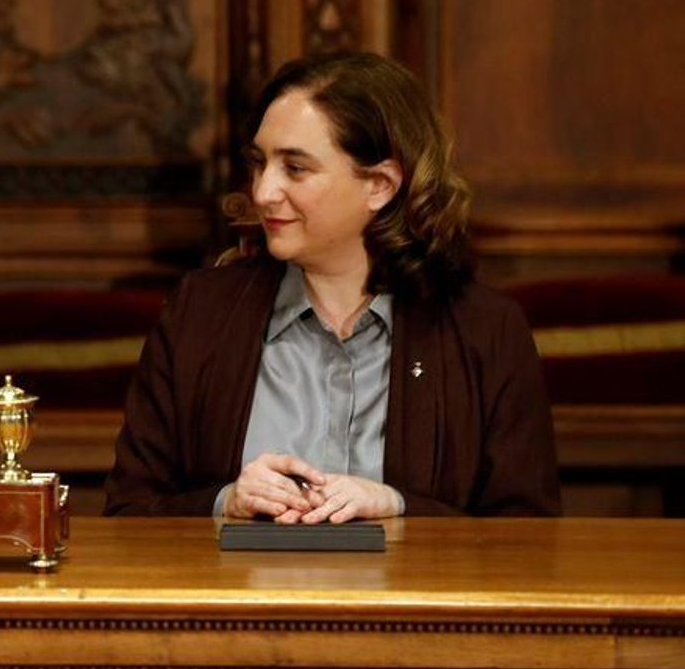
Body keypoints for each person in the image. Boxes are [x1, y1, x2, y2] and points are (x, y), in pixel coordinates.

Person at [105, 51, 559, 519]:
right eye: (260, 163)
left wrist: (399, 507)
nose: (262, 192)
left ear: (380, 185)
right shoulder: (199, 312)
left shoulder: (484, 329)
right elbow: (129, 512)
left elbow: (529, 538)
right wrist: (227, 502)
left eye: (295, 168)